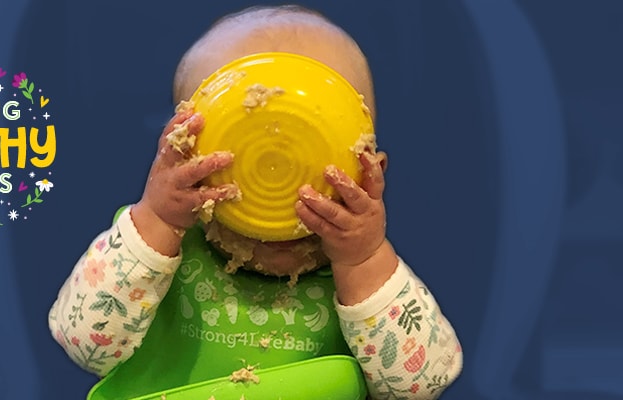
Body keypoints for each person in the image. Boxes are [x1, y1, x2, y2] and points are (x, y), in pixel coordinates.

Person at [49, 5, 462, 399]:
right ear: (182, 154)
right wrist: (156, 220)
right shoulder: (150, 246)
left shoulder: (368, 276)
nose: (284, 187)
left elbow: (420, 386)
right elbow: (83, 344)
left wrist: (363, 261)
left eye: (317, 156)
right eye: (239, 148)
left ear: (373, 174)